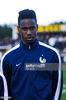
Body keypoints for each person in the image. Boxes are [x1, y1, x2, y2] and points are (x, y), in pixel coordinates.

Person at [1, 9, 63, 100]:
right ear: (18, 29)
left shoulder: (52, 54)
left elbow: (57, 88)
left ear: (37, 27)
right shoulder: (8, 58)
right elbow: (5, 93)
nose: (29, 32)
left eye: (32, 28)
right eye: (24, 29)